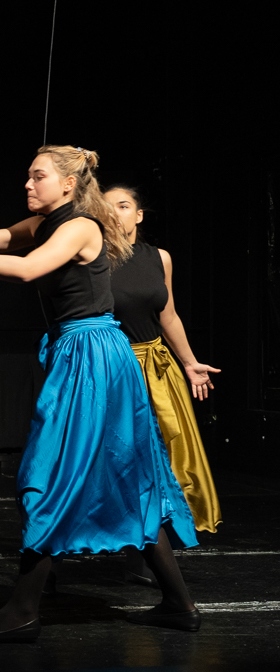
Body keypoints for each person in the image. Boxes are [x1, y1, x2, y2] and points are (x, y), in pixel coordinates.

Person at [0, 145, 199, 642]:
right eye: (28, 175)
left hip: (93, 355)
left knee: (50, 476)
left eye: (37, 176)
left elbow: (27, 269)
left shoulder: (81, 226)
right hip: (81, 353)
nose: (27, 184)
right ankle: (178, 604)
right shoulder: (45, 223)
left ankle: (23, 609)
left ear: (68, 184)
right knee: (127, 478)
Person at [104, 185, 221, 580]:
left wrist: (189, 363)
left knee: (165, 458)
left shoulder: (159, 257)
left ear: (139, 214)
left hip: (156, 367)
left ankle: (145, 556)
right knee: (116, 459)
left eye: (124, 206)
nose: (115, 213)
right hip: (115, 368)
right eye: (107, 207)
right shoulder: (92, 256)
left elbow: (167, 315)